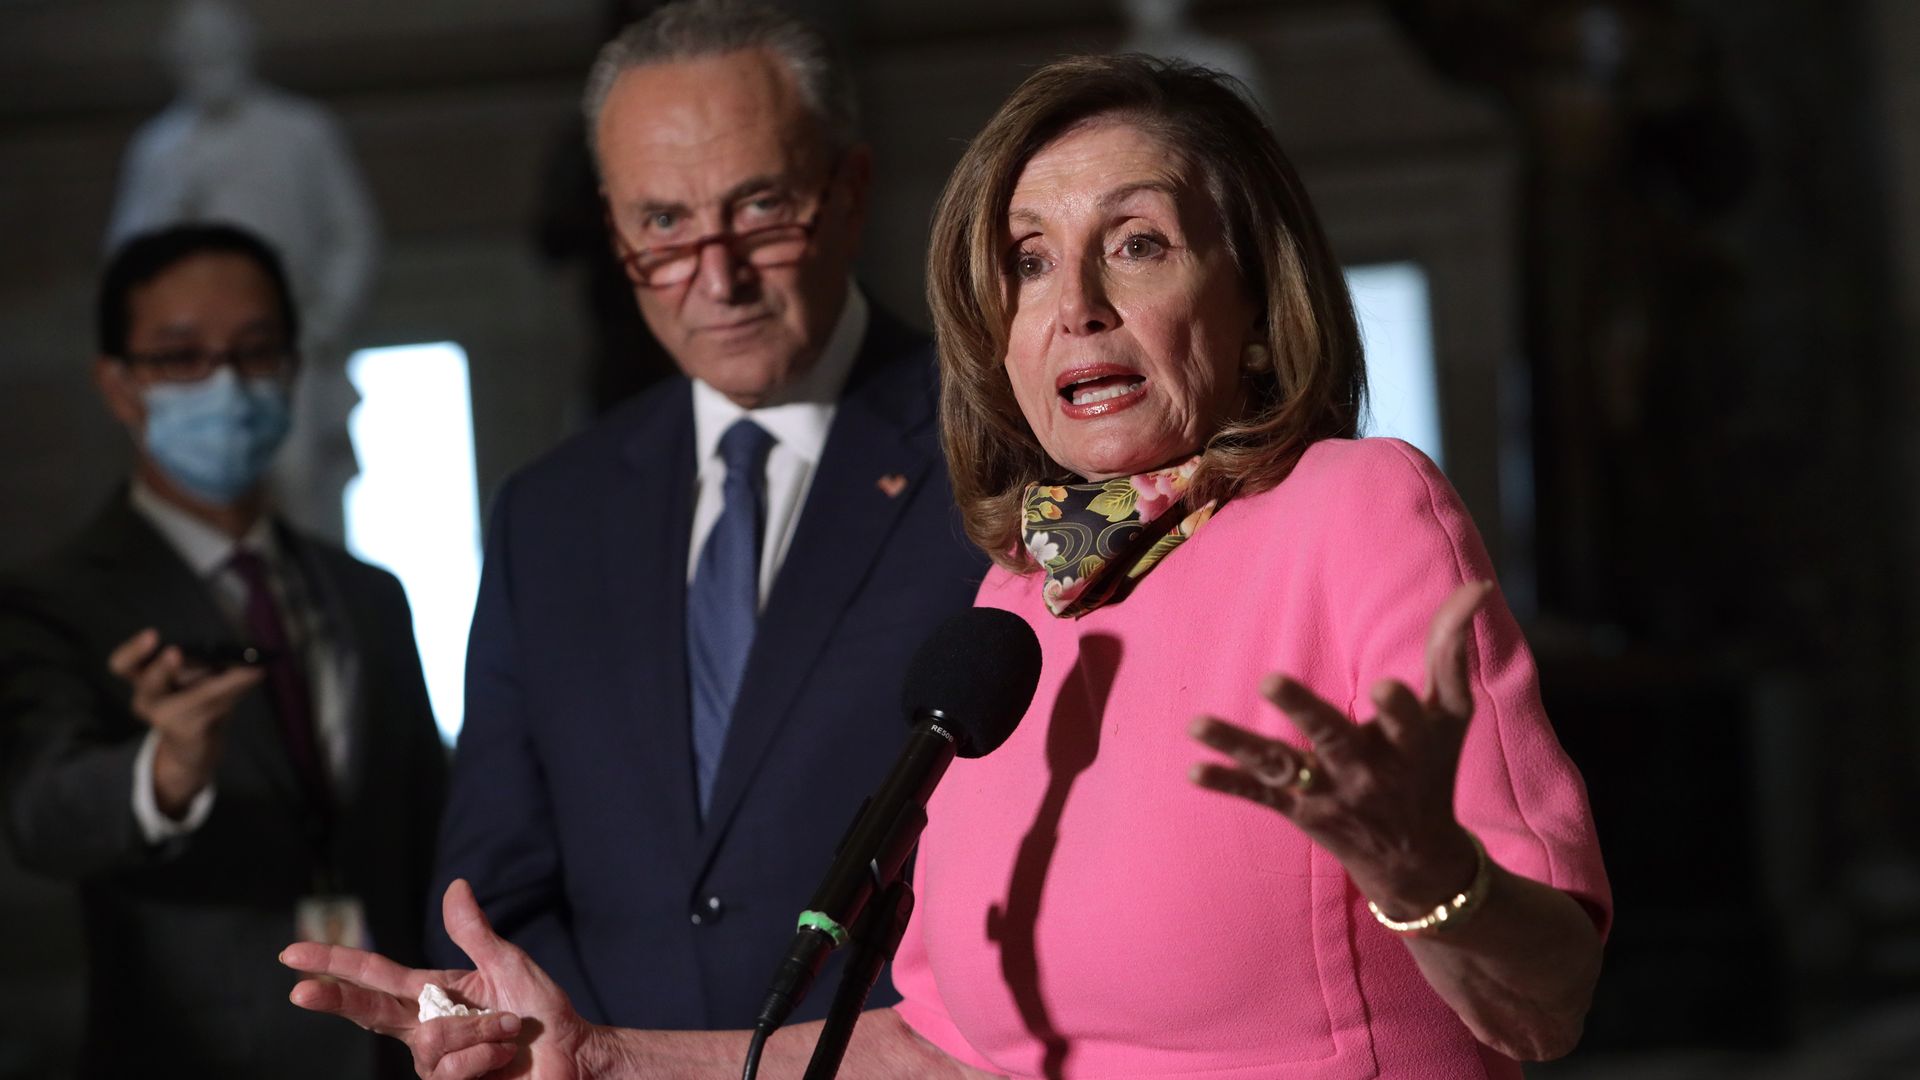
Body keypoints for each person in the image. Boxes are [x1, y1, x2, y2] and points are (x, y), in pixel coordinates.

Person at [283, 53, 1610, 1079]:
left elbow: (1544, 1003)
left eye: (1137, 242)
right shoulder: (1019, 602)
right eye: (1029, 262)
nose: (1074, 299)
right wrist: (600, 1057)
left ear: (1257, 307)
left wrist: (1425, 876)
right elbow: (947, 1050)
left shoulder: (1357, 510)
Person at [420, 0, 987, 1033]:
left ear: (851, 191)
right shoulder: (545, 516)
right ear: (616, 229)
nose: (715, 279)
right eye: (665, 226)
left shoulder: (991, 455)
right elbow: (491, 886)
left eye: (761, 209)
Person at [0, 224, 444, 1079]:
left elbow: (427, 821)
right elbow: (40, 818)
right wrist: (163, 770)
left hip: (402, 1057)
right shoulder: (55, 600)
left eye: (255, 351)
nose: (228, 384)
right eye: (181, 358)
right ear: (120, 385)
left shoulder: (368, 595)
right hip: (196, 1057)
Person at [107, 0, 382, 544]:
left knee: (301, 487)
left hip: (288, 341)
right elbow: (126, 263)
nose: (210, 59)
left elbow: (353, 235)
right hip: (190, 358)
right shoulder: (160, 151)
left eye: (220, 45)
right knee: (202, 497)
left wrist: (325, 320)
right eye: (196, 49)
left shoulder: (300, 131)